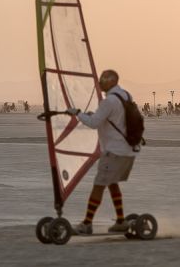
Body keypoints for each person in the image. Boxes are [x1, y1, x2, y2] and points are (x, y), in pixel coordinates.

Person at [65, 70, 138, 236]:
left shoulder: (109, 101)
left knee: (98, 186)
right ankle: (120, 220)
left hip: (113, 151)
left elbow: (93, 123)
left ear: (111, 81)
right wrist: (95, 115)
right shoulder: (125, 95)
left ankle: (87, 223)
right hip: (128, 150)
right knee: (112, 183)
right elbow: (113, 119)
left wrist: (78, 114)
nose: (100, 82)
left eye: (103, 79)